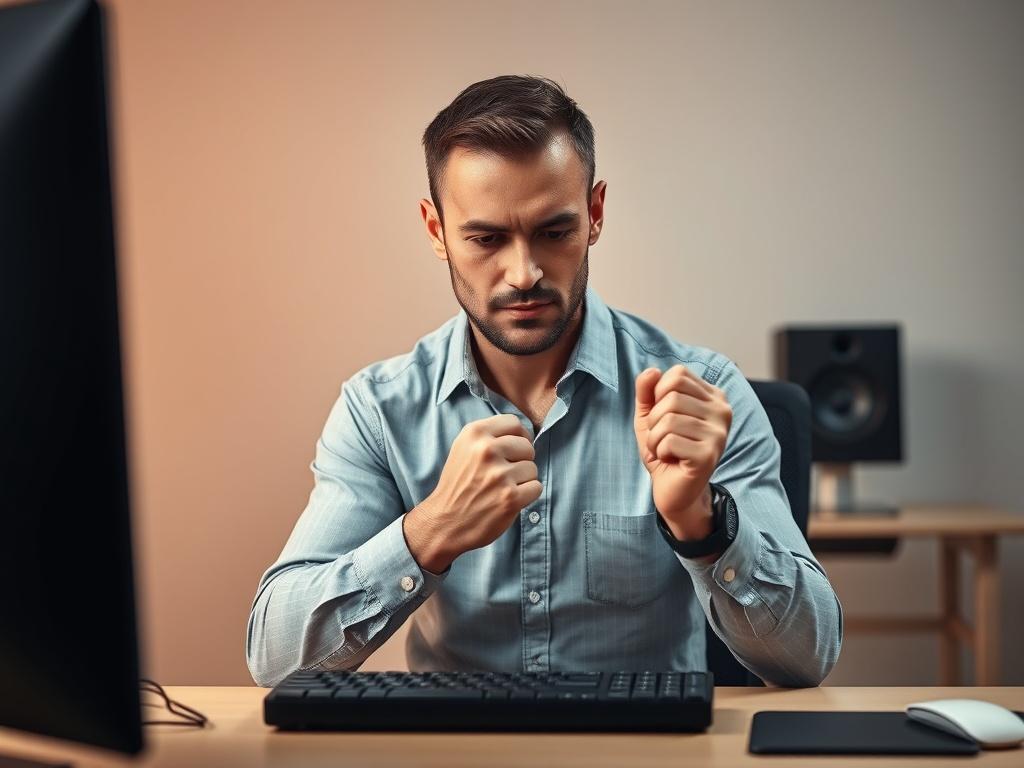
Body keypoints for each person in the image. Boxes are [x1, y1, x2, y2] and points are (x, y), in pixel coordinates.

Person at [246, 74, 843, 689]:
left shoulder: (701, 393)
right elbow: (275, 658)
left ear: (595, 215)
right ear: (436, 231)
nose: (524, 272)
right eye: (485, 238)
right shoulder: (379, 411)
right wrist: (431, 531)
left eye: (554, 232)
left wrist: (703, 525)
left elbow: (808, 656)